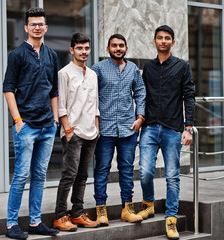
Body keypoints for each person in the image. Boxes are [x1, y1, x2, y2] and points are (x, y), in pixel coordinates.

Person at [2, 7, 60, 240]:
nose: (37, 27)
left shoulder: (52, 55)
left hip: (47, 126)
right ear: (26, 27)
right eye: (33, 24)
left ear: (46, 27)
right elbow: (8, 89)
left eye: (41, 24)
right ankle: (10, 224)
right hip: (26, 126)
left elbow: (54, 90)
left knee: (39, 176)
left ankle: (35, 221)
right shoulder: (17, 55)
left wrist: (55, 119)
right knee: (21, 176)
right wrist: (17, 121)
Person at [137, 25, 195, 240]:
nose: (163, 41)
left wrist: (188, 127)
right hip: (150, 128)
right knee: (145, 172)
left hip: (172, 129)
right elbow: (142, 96)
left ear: (173, 42)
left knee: (172, 176)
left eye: (167, 38)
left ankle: (170, 219)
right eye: (159, 38)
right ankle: (148, 204)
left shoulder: (182, 67)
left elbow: (189, 97)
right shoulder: (148, 68)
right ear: (154, 41)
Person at [92, 34, 146, 226]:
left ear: (126, 48)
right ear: (108, 49)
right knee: (102, 170)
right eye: (114, 45)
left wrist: (140, 117)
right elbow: (91, 96)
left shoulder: (132, 69)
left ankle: (127, 209)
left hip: (128, 129)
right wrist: (94, 122)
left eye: (121, 45)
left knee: (126, 170)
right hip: (105, 130)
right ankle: (101, 211)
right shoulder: (97, 69)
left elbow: (140, 92)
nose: (118, 48)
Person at [52, 33, 100, 231]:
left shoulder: (93, 74)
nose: (83, 52)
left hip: (91, 132)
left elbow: (95, 103)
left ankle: (77, 213)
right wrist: (68, 130)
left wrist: (97, 128)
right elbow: (61, 104)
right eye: (79, 48)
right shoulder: (64, 73)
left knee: (82, 176)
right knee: (69, 175)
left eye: (86, 48)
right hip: (74, 132)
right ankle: (59, 216)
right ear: (72, 50)